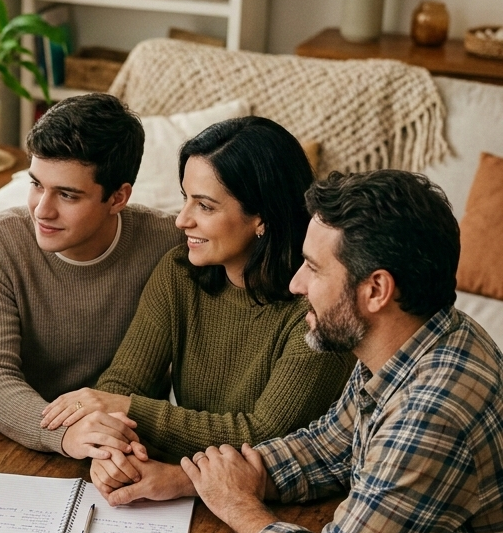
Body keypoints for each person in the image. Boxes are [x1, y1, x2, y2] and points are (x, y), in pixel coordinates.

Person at [161, 170, 502, 533]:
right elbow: (327, 449)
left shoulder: (430, 417)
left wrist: (236, 504)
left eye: (313, 267)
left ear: (376, 290)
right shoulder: (411, 341)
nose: (297, 284)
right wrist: (187, 478)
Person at [44, 116, 354, 479]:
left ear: (262, 217)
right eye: (185, 198)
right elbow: (124, 381)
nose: (182, 220)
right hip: (178, 479)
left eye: (205, 206)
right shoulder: (180, 271)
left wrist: (129, 410)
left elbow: (265, 435)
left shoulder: (318, 309)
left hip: (277, 496)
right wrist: (111, 447)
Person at [0, 93, 184, 458]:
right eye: (36, 184)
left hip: (130, 442)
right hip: (26, 433)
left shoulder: (167, 242)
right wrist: (68, 433)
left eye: (67, 195)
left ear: (118, 198)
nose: (42, 210)